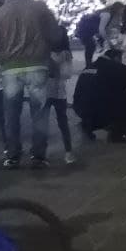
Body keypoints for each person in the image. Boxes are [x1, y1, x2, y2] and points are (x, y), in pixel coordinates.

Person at [0, 0, 58, 169]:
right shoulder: (40, 8)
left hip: (10, 68)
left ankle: (13, 155)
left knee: (11, 113)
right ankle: (38, 155)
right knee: (39, 113)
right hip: (37, 65)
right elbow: (55, 36)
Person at [74, 49, 126, 143]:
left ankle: (87, 125)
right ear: (116, 58)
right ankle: (117, 135)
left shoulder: (90, 66)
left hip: (79, 107)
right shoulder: (111, 66)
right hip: (99, 108)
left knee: (106, 97)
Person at [47, 26, 76, 164]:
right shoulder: (44, 51)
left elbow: (66, 74)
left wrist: (52, 67)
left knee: (63, 122)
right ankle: (39, 152)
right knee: (41, 121)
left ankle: (68, 151)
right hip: (46, 91)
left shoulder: (65, 54)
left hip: (58, 91)